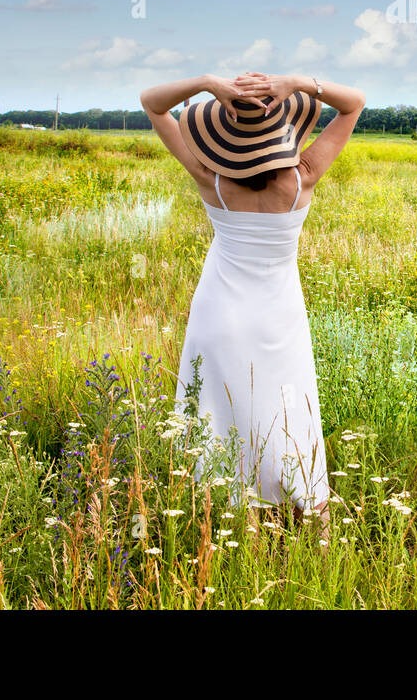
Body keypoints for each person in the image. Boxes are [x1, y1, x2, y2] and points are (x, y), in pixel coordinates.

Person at [139, 70, 365, 539]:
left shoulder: (210, 177)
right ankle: (317, 531)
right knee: (290, 414)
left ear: (225, 135)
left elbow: (152, 103)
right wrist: (300, 84)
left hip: (218, 315)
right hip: (279, 318)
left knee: (224, 415)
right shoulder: (303, 177)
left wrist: (206, 83)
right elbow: (354, 103)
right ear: (282, 128)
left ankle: (232, 521)